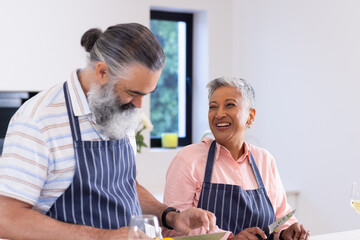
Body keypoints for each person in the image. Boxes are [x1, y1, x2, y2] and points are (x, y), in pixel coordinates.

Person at [0, 23, 216, 240]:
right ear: (102, 72)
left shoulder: (118, 111)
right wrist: (104, 237)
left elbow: (125, 186)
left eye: (146, 94)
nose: (140, 105)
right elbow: (7, 219)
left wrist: (170, 216)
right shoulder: (38, 121)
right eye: (133, 92)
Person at [163, 77, 310, 240]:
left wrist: (286, 232)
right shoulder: (188, 159)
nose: (219, 114)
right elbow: (173, 229)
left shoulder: (264, 160)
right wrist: (228, 238)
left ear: (250, 116)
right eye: (213, 107)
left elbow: (282, 216)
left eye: (230, 105)